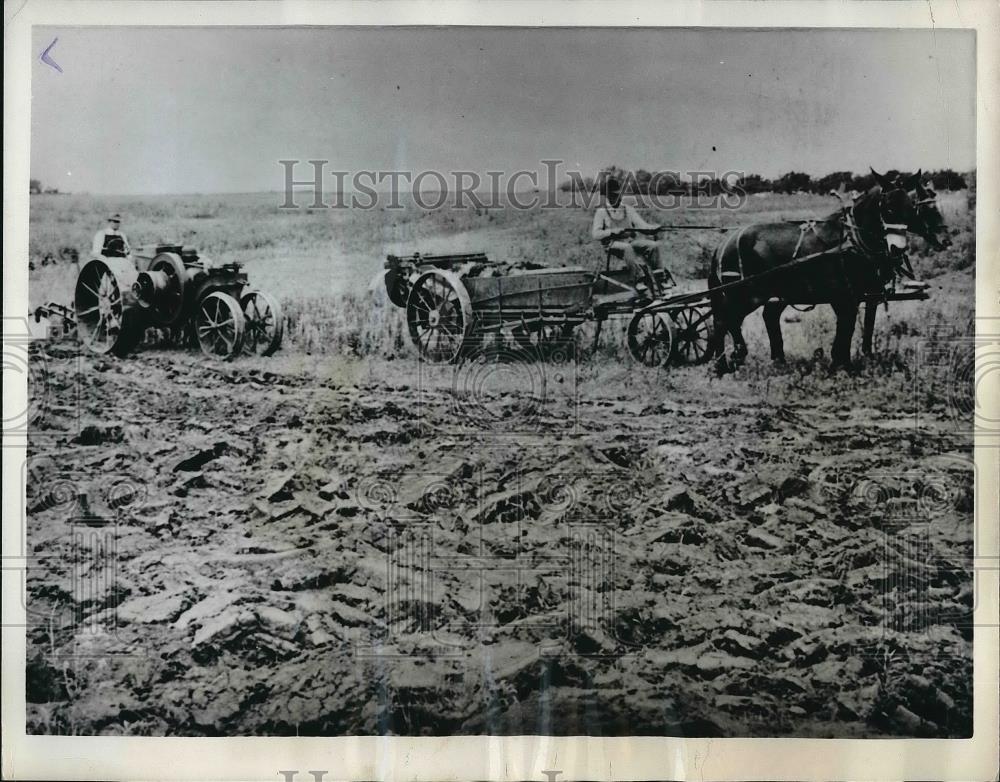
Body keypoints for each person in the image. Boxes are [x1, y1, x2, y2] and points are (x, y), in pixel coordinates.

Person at [591, 177, 663, 295]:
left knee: (654, 245)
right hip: (612, 244)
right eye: (613, 195)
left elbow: (642, 226)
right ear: (608, 196)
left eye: (618, 195)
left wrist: (652, 229)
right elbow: (596, 234)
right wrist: (612, 232)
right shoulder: (601, 212)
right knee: (627, 248)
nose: (617, 198)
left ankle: (661, 280)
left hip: (629, 242)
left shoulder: (628, 209)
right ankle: (639, 279)